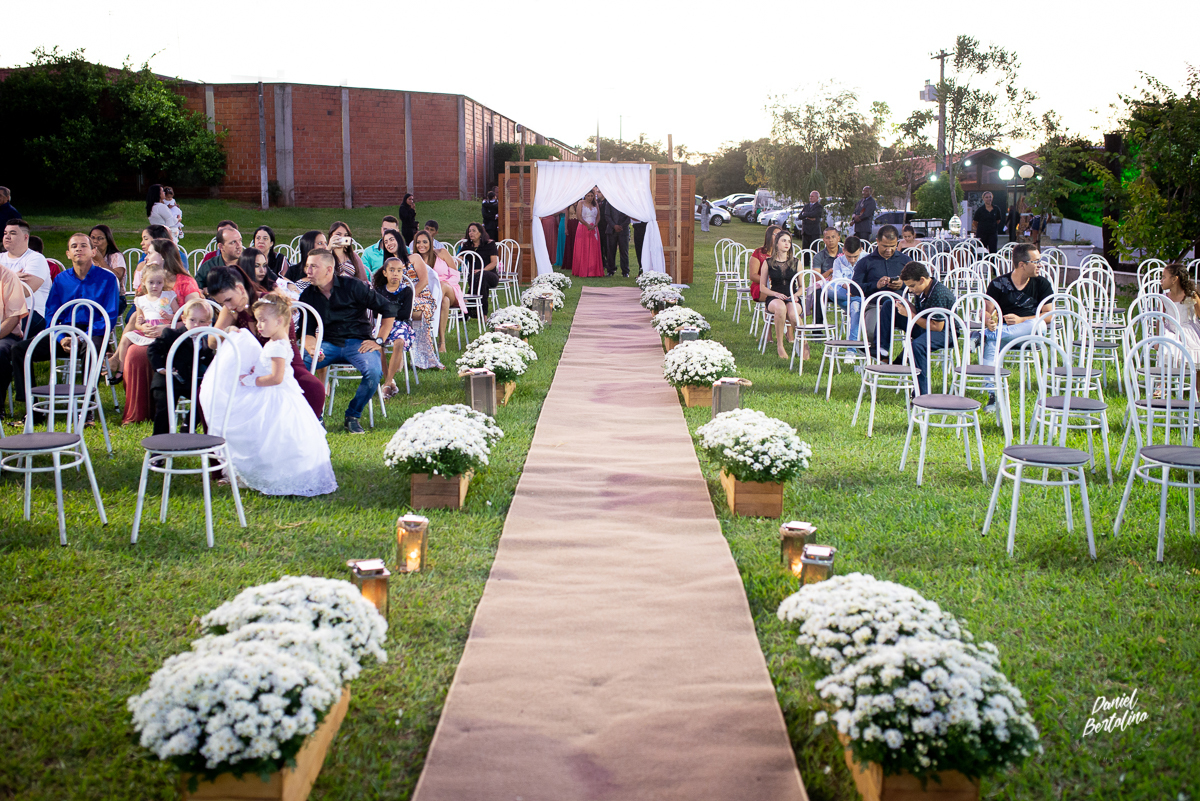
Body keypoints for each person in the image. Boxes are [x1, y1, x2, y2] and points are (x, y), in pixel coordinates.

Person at [200, 292, 338, 496]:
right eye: (258, 321)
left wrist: (250, 380)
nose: (259, 326)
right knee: (267, 435)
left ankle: (279, 475)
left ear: (280, 320)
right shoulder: (276, 343)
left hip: (275, 395)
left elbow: (276, 378)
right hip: (274, 392)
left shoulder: (278, 346)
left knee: (274, 434)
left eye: (263, 321)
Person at [0, 233, 120, 415]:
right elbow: (51, 313)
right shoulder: (61, 279)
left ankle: (86, 408)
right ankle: (32, 409)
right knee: (20, 350)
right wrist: (62, 337)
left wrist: (81, 337)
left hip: (93, 332)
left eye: (83, 246)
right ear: (68, 254)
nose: (78, 249)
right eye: (74, 247)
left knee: (90, 350)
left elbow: (109, 316)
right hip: (63, 332)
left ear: (93, 251)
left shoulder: (108, 278)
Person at [299, 249, 398, 434]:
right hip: (327, 343)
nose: (308, 271)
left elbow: (388, 309)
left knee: (374, 372)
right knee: (298, 370)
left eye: (313, 266)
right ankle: (315, 416)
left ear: (329, 269)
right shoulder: (308, 295)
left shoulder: (353, 286)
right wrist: (312, 348)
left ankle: (352, 415)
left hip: (358, 342)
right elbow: (307, 331)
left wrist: (379, 340)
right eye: (307, 266)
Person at [208, 264, 326, 419]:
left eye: (229, 299)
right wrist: (228, 331)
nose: (228, 305)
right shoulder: (230, 310)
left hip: (282, 362)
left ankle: (309, 422)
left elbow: (283, 345)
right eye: (223, 303)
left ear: (240, 288)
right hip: (249, 368)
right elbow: (212, 342)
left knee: (314, 389)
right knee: (211, 392)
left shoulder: (270, 305)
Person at [980, 243, 1055, 408]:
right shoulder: (998, 283)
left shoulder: (1042, 283)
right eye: (1036, 261)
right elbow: (985, 311)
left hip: (1029, 334)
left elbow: (1049, 315)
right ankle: (993, 396)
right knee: (992, 345)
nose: (1040, 265)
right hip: (1006, 334)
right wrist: (987, 320)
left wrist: (1022, 320)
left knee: (1039, 325)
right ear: (1022, 264)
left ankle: (984, 335)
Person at [148, 298, 214, 436]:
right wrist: (161, 368)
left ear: (208, 324)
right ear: (184, 319)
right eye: (192, 320)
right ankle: (160, 443)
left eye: (202, 322)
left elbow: (210, 361)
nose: (196, 325)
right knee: (164, 408)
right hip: (167, 380)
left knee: (206, 396)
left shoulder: (206, 341)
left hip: (189, 380)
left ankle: (188, 425)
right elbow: (153, 349)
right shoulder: (171, 335)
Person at [895, 262, 957, 395]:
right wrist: (907, 306)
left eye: (912, 286)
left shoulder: (939, 293)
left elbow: (937, 327)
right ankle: (882, 351)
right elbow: (921, 313)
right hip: (927, 326)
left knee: (917, 345)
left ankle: (921, 393)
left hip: (946, 333)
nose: (911, 290)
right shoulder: (923, 288)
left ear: (922, 279)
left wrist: (911, 315)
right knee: (890, 305)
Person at [851, 225, 913, 355]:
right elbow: (854, 288)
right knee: (872, 331)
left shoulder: (905, 260)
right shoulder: (865, 262)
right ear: (877, 241)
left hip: (900, 305)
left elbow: (917, 285)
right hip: (875, 305)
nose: (889, 250)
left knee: (919, 328)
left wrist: (902, 285)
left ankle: (906, 359)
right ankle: (872, 359)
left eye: (892, 246)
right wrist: (875, 286)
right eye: (885, 246)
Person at [109, 263, 177, 381]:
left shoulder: (168, 296)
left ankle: (167, 367)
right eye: (151, 282)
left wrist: (169, 316)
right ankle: (121, 370)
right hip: (147, 330)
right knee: (125, 338)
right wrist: (141, 326)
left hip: (164, 328)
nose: (155, 286)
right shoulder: (141, 300)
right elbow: (138, 323)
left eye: (159, 282)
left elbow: (179, 315)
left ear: (163, 282)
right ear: (144, 282)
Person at [372, 256, 419, 396]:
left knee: (399, 342)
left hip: (401, 325)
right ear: (385, 273)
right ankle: (389, 380)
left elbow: (405, 314)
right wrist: (392, 312)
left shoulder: (406, 291)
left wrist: (387, 310)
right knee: (377, 344)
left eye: (399, 270)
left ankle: (387, 384)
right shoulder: (379, 291)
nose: (395, 274)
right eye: (392, 270)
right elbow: (375, 313)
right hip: (382, 324)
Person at [412, 230, 465, 352]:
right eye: (418, 242)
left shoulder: (441, 253)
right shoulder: (415, 259)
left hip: (450, 288)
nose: (421, 245)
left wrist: (444, 284)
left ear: (431, 243)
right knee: (444, 301)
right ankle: (441, 343)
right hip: (430, 294)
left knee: (442, 287)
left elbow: (456, 275)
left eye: (425, 242)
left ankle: (429, 328)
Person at [2, 220, 52, 337]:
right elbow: (14, 289)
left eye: (13, 233)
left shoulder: (35, 259)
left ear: (25, 237)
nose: (7, 237)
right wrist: (13, 277)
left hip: (31, 313)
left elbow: (25, 291)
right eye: (5, 233)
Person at [759, 228, 803, 360]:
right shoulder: (768, 263)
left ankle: (803, 342)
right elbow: (762, 287)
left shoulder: (796, 262)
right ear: (776, 243)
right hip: (774, 296)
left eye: (789, 241)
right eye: (783, 240)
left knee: (793, 314)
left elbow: (802, 287)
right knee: (780, 308)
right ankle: (780, 345)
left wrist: (796, 295)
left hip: (792, 296)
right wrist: (775, 294)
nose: (787, 244)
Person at [1159, 263, 1200, 362]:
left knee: (1196, 360)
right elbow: (1160, 320)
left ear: (1174, 279)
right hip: (1170, 331)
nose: (1161, 280)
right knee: (1167, 356)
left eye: (1164, 277)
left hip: (1188, 331)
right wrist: (1158, 339)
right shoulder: (1164, 298)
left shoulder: (1190, 296)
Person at [460, 222, 500, 316]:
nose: (471, 233)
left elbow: (494, 262)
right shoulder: (467, 246)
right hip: (473, 278)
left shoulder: (490, 244)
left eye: (474, 231)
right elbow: (459, 259)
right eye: (469, 231)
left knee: (482, 276)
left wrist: (482, 270)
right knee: (481, 282)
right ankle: (483, 314)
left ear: (480, 233)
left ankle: (468, 303)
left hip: (490, 275)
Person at [196, 227, 244, 291]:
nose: (239, 246)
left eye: (240, 240)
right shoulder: (209, 266)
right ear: (221, 246)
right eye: (233, 242)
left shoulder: (249, 264)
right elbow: (196, 289)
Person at [572, 190, 604, 278]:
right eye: (588, 196)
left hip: (594, 228)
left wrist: (595, 224)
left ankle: (593, 270)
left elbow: (598, 216)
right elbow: (579, 216)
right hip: (583, 227)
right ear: (585, 196)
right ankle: (582, 270)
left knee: (594, 249)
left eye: (591, 196)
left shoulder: (595, 204)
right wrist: (587, 225)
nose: (590, 197)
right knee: (583, 248)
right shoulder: (580, 203)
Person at [748, 225, 782, 304]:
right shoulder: (758, 253)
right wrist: (768, 281)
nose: (778, 237)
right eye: (776, 235)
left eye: (780, 235)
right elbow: (753, 276)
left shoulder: (782, 254)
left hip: (779, 286)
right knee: (776, 299)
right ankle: (770, 315)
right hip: (761, 286)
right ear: (769, 236)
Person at [600, 191, 630, 277]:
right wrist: (614, 226)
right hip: (611, 230)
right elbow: (607, 215)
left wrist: (621, 226)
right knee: (610, 251)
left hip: (623, 230)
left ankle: (625, 271)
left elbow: (629, 216)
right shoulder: (610, 202)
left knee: (624, 251)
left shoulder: (626, 203)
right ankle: (610, 270)